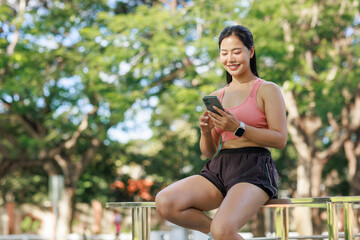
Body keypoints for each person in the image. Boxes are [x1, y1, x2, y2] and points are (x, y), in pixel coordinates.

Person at [155, 25, 287, 240]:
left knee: (222, 229)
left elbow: (280, 139)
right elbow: (208, 152)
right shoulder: (217, 95)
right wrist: (206, 132)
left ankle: (220, 233)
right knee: (166, 202)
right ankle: (217, 234)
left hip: (254, 168)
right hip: (220, 167)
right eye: (224, 53)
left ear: (250, 52)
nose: (230, 59)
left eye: (237, 51)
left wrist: (238, 128)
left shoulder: (266, 89)